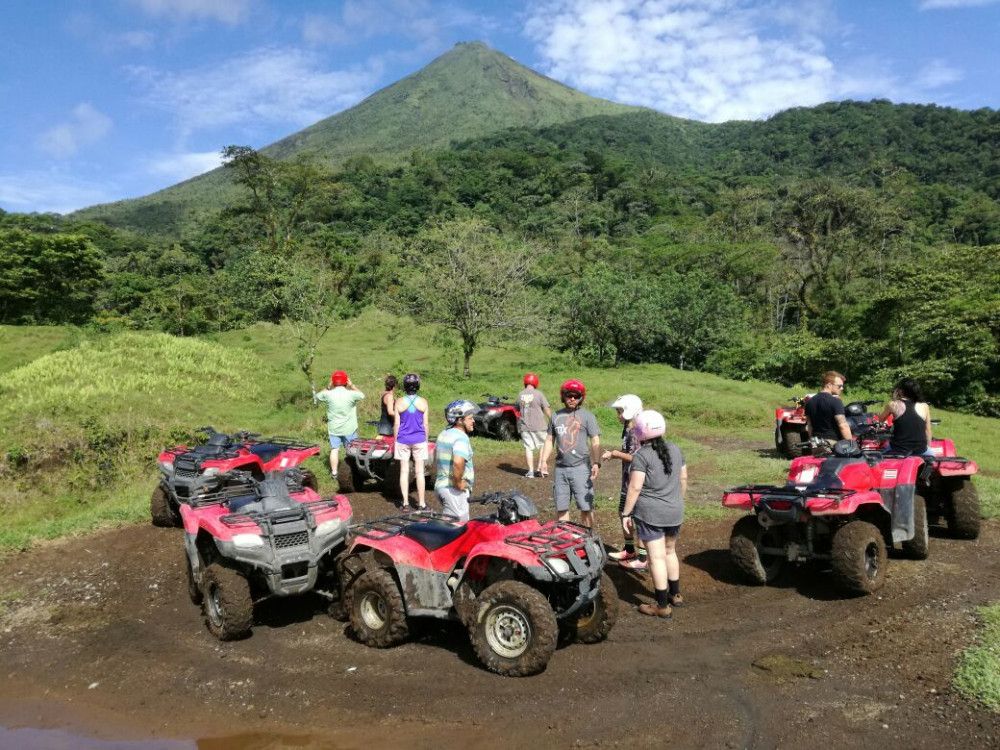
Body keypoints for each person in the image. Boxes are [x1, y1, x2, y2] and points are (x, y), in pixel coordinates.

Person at [620, 409, 687, 619]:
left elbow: (634, 488)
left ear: (640, 432)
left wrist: (626, 513)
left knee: (656, 558)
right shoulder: (676, 449)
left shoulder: (642, 455)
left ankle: (661, 605)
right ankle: (675, 595)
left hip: (651, 514)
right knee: (670, 552)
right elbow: (683, 479)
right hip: (675, 510)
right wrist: (677, 499)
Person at [538, 379, 601, 528]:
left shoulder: (587, 416)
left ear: (581, 398)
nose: (572, 398)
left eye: (576, 396)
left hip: (581, 468)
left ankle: (589, 539)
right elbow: (549, 440)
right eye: (569, 395)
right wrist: (543, 461)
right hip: (560, 468)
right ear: (563, 396)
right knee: (561, 507)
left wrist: (597, 463)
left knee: (585, 507)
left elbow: (595, 440)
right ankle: (565, 540)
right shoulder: (555, 416)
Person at [602, 394, 646, 570]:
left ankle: (642, 558)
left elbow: (636, 457)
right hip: (626, 482)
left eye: (620, 411)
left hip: (636, 482)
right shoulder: (627, 428)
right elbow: (626, 451)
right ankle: (629, 550)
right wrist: (615, 453)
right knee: (623, 514)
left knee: (638, 518)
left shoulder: (636, 431)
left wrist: (615, 454)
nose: (618, 415)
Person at [315, 370, 364, 480]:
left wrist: (328, 386)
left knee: (334, 449)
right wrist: (352, 386)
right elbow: (362, 395)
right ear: (346, 381)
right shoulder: (351, 394)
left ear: (333, 381)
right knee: (352, 450)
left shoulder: (328, 394)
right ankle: (354, 472)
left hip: (334, 429)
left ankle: (334, 473)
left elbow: (317, 396)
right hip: (349, 428)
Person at [434, 400, 477, 521]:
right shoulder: (461, 438)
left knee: (448, 525)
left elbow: (436, 459)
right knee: (458, 527)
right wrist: (458, 483)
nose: (473, 421)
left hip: (441, 487)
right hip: (453, 490)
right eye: (470, 418)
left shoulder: (444, 434)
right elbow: (458, 462)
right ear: (460, 420)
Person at [394, 373, 430, 511]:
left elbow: (397, 424)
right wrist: (425, 441)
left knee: (404, 471)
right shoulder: (423, 402)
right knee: (419, 472)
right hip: (419, 439)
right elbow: (425, 424)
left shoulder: (398, 402)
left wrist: (396, 440)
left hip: (402, 439)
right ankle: (421, 504)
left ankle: (405, 503)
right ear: (417, 386)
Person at [879, 377, 934, 456]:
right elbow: (928, 431)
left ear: (900, 391)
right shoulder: (924, 406)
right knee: (932, 455)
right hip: (920, 450)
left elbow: (880, 420)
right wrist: (928, 448)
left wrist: (894, 399)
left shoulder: (893, 404)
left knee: (879, 455)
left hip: (898, 449)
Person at [804, 371, 852, 446]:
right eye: (839, 386)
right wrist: (851, 444)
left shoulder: (809, 402)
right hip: (832, 444)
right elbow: (843, 425)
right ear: (829, 385)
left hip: (815, 443)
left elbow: (809, 426)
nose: (842, 388)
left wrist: (812, 442)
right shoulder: (835, 401)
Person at [517, 373, 551, 478]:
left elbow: (518, 409)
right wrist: (553, 420)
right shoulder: (539, 394)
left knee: (528, 448)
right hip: (539, 426)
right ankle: (541, 468)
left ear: (525, 382)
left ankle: (530, 471)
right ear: (536, 382)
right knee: (542, 446)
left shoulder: (520, 394)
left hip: (525, 427)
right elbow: (546, 408)